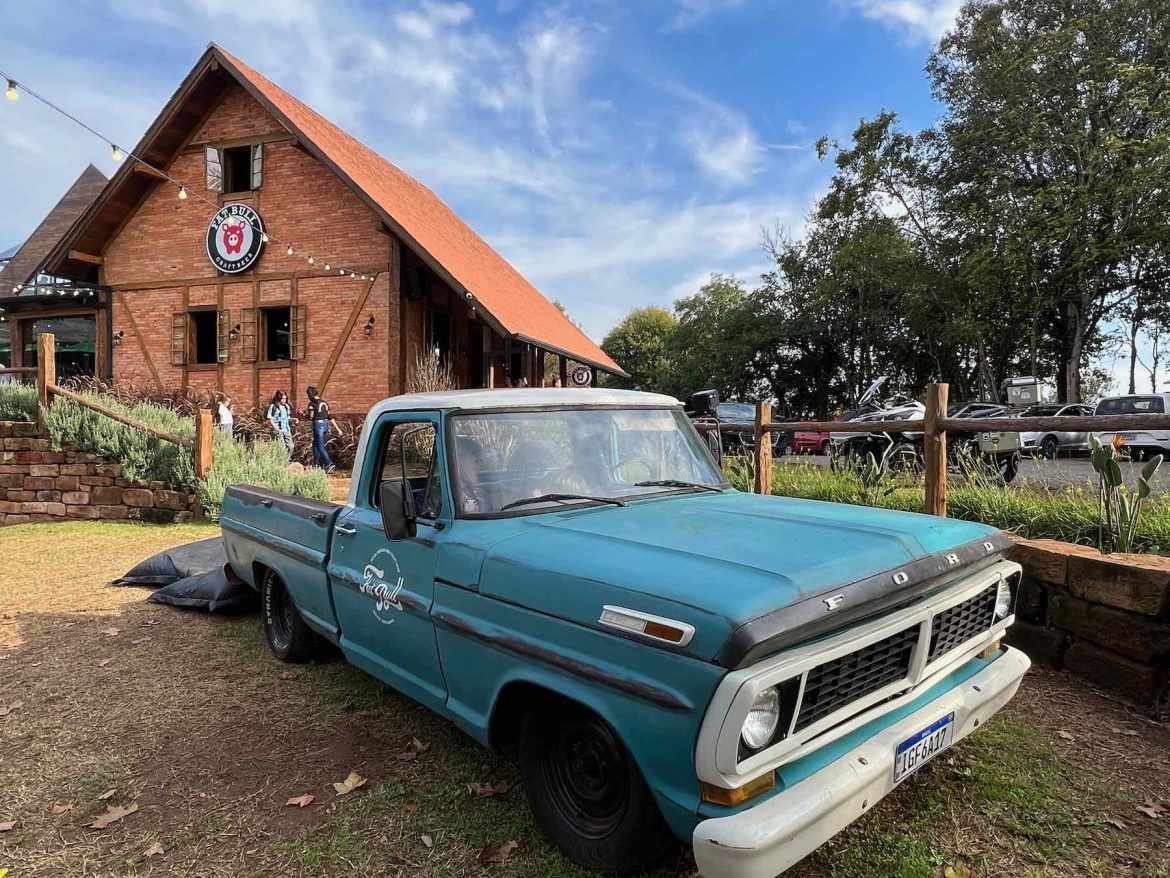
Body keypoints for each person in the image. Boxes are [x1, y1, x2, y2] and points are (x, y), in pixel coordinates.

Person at [305, 385, 337, 473]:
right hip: (325, 424)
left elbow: (311, 416)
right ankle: (316, 464)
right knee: (316, 444)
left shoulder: (312, 404)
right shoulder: (324, 403)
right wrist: (337, 428)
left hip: (318, 424)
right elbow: (329, 415)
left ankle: (329, 463)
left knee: (319, 446)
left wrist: (304, 415)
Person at [266, 390, 294, 454]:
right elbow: (270, 418)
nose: (284, 400)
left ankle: (286, 459)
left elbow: (287, 418)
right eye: (282, 398)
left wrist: (294, 419)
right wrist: (276, 428)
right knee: (282, 447)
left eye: (285, 398)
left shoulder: (286, 406)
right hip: (278, 430)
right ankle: (282, 461)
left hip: (286, 429)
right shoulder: (273, 406)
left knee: (290, 446)